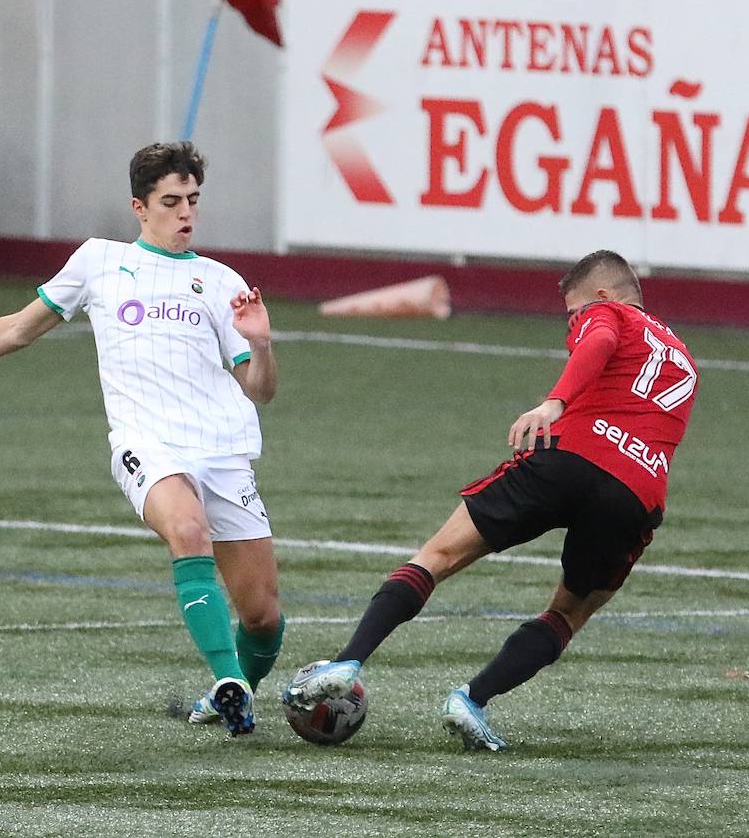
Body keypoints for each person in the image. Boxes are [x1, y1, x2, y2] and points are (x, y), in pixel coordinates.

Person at [0, 141, 283, 737]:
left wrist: (263, 343)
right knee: (187, 530)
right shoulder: (98, 262)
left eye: (193, 200)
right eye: (171, 201)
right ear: (139, 207)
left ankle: (228, 693)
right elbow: (15, 329)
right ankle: (227, 679)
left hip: (223, 449)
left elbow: (261, 390)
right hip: (148, 443)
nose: (186, 214)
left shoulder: (222, 282)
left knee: (265, 618)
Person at [284, 250, 698, 751]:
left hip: (569, 458)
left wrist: (554, 401)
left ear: (602, 295)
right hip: (636, 493)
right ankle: (472, 700)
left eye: (573, 313)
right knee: (568, 615)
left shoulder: (607, 314)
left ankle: (348, 661)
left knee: (437, 556)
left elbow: (602, 338)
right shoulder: (683, 357)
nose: (573, 324)